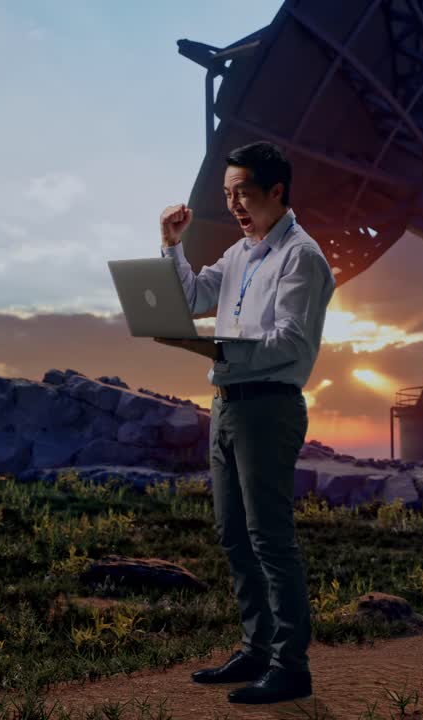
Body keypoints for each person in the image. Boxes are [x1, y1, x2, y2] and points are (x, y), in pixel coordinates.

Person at [155, 141, 334, 705]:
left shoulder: (300, 257)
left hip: (269, 406)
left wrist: (217, 349)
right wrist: (171, 247)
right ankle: (257, 650)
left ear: (277, 192)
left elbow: (291, 342)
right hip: (227, 405)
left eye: (244, 193)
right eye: (227, 193)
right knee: (234, 533)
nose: (233, 202)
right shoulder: (239, 254)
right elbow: (190, 297)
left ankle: (291, 665)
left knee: (269, 537)